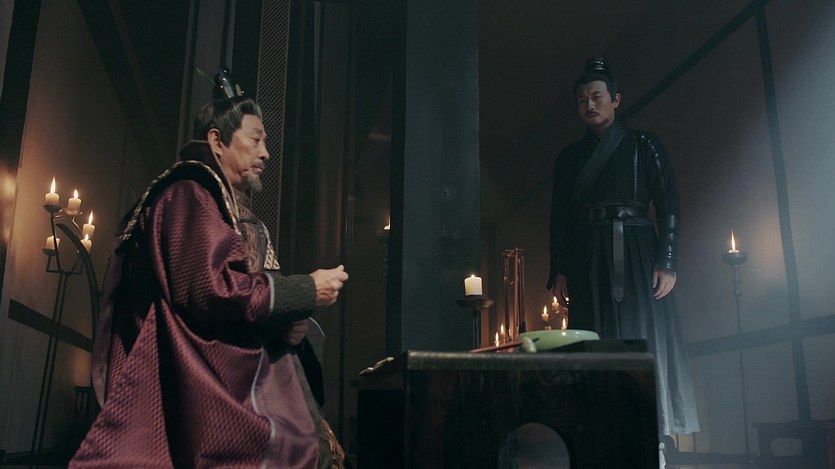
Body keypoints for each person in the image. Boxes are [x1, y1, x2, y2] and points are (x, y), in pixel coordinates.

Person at [70, 96, 349, 468]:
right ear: (217, 141)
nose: (266, 153)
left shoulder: (221, 206)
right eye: (256, 140)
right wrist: (306, 290)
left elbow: (247, 294)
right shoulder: (188, 193)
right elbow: (214, 289)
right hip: (193, 391)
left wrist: (290, 323)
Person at [546, 58, 699, 445]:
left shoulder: (644, 145)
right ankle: (599, 436)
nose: (589, 105)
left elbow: (668, 204)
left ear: (615, 99)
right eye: (582, 100)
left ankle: (651, 438)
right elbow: (559, 219)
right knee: (593, 339)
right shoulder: (568, 158)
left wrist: (667, 260)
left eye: (597, 96)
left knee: (641, 335)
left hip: (636, 251)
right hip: (587, 256)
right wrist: (560, 269)